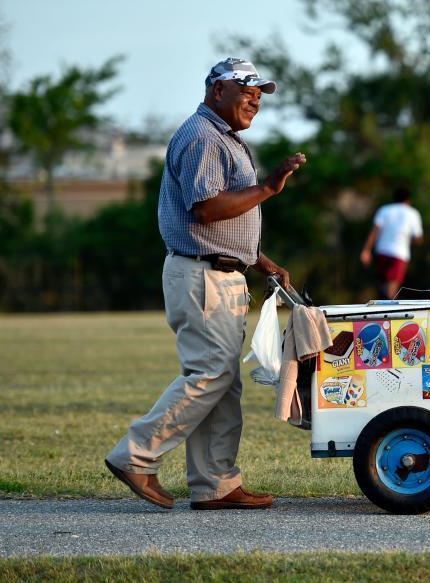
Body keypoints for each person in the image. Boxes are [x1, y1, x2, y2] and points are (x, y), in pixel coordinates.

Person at [105, 58, 307, 510]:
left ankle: (216, 484)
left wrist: (260, 262)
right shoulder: (202, 137)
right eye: (246, 89)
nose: (255, 99)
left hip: (219, 272)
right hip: (202, 276)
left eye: (259, 93)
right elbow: (206, 209)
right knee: (210, 375)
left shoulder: (223, 138)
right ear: (217, 91)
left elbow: (223, 220)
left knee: (221, 382)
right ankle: (134, 456)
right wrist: (270, 187)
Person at [360, 186, 424, 299]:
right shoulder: (413, 213)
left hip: (382, 251)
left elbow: (375, 232)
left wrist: (366, 250)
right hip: (400, 253)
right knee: (393, 285)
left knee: (383, 282)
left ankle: (382, 310)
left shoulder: (384, 210)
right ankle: (390, 312)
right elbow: (418, 239)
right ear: (408, 199)